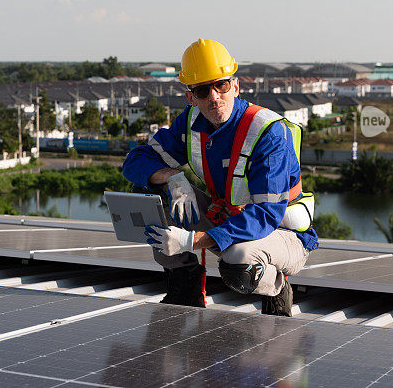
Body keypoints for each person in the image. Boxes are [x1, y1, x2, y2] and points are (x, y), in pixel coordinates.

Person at [122, 38, 318, 316]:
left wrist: (191, 242)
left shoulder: (268, 133)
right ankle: (185, 287)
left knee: (239, 262)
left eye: (221, 85)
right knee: (149, 191)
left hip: (281, 235)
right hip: (226, 218)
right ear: (191, 97)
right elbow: (135, 161)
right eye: (202, 90)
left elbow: (265, 215)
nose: (214, 97)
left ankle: (277, 287)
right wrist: (172, 178)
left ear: (235, 86)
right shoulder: (191, 123)